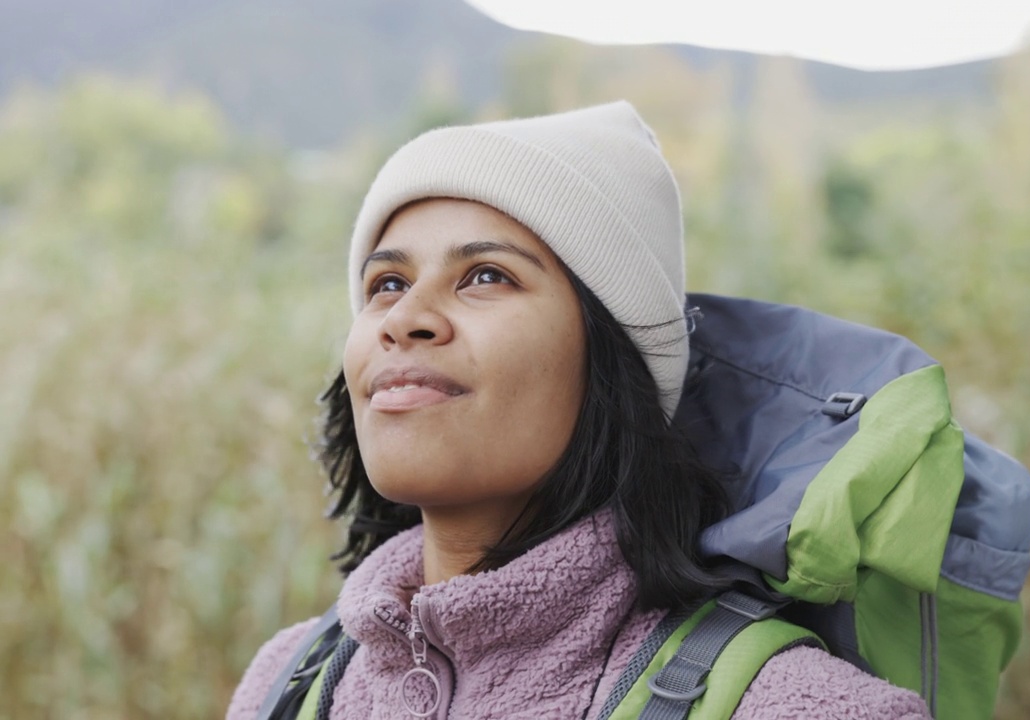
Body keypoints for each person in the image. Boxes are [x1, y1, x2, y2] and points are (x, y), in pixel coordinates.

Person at [226, 101, 932, 719]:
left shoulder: (798, 708)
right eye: (385, 282)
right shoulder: (285, 684)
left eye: (486, 275)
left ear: (609, 357)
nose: (404, 317)